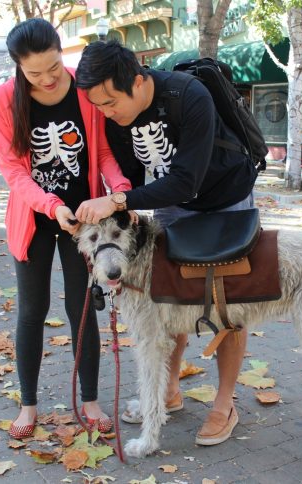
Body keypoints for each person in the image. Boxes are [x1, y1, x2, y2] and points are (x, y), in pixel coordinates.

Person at [75, 40, 258, 446]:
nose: (106, 113)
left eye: (110, 102)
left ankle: (224, 403)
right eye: (98, 106)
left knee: (229, 303)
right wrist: (121, 202)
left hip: (225, 201)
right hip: (170, 206)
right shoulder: (113, 119)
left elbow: (186, 181)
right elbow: (131, 177)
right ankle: (168, 390)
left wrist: (121, 199)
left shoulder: (188, 95)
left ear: (138, 82)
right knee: (166, 297)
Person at [0, 19, 132, 440]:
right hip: (34, 218)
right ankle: (28, 404)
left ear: (60, 52)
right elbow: (13, 170)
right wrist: (51, 206)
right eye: (35, 73)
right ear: (18, 67)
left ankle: (89, 400)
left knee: (83, 309)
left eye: (54, 66)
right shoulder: (5, 97)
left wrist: (120, 190)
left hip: (85, 223)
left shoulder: (83, 89)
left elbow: (103, 151)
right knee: (32, 312)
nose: (48, 79)